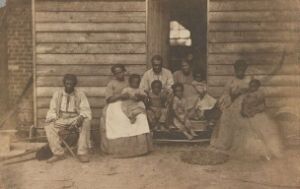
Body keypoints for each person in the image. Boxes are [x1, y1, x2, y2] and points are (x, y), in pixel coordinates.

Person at [100, 64, 152, 158]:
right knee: (121, 117)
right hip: (114, 104)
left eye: (121, 72)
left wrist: (139, 96)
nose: (119, 74)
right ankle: (120, 150)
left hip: (131, 103)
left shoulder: (129, 81)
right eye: (116, 73)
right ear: (114, 74)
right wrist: (120, 96)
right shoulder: (111, 84)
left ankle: (140, 149)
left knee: (141, 116)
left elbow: (136, 90)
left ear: (124, 71)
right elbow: (108, 99)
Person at [44, 74, 92, 163]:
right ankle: (58, 153)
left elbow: (85, 109)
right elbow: (52, 109)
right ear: (64, 84)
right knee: (49, 125)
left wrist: (81, 117)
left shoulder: (80, 94)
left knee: (86, 122)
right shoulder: (57, 94)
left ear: (74, 84)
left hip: (75, 118)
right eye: (67, 83)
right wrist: (53, 118)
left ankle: (82, 153)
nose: (69, 86)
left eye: (71, 84)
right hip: (61, 118)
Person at [210, 60, 251, 153]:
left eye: (242, 69)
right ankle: (227, 143)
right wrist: (224, 103)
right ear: (235, 69)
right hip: (233, 103)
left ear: (245, 69)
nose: (240, 70)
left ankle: (243, 144)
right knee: (227, 117)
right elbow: (226, 94)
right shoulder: (231, 81)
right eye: (238, 69)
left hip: (245, 103)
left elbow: (252, 92)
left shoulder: (248, 80)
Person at [240, 79, 283, 159]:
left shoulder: (259, 94)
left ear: (258, 87)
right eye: (251, 86)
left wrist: (254, 111)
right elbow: (243, 105)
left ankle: (270, 152)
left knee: (263, 133)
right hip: (248, 117)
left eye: (254, 86)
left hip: (257, 115)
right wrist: (244, 112)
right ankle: (260, 152)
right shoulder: (247, 95)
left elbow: (262, 106)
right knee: (251, 134)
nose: (252, 88)